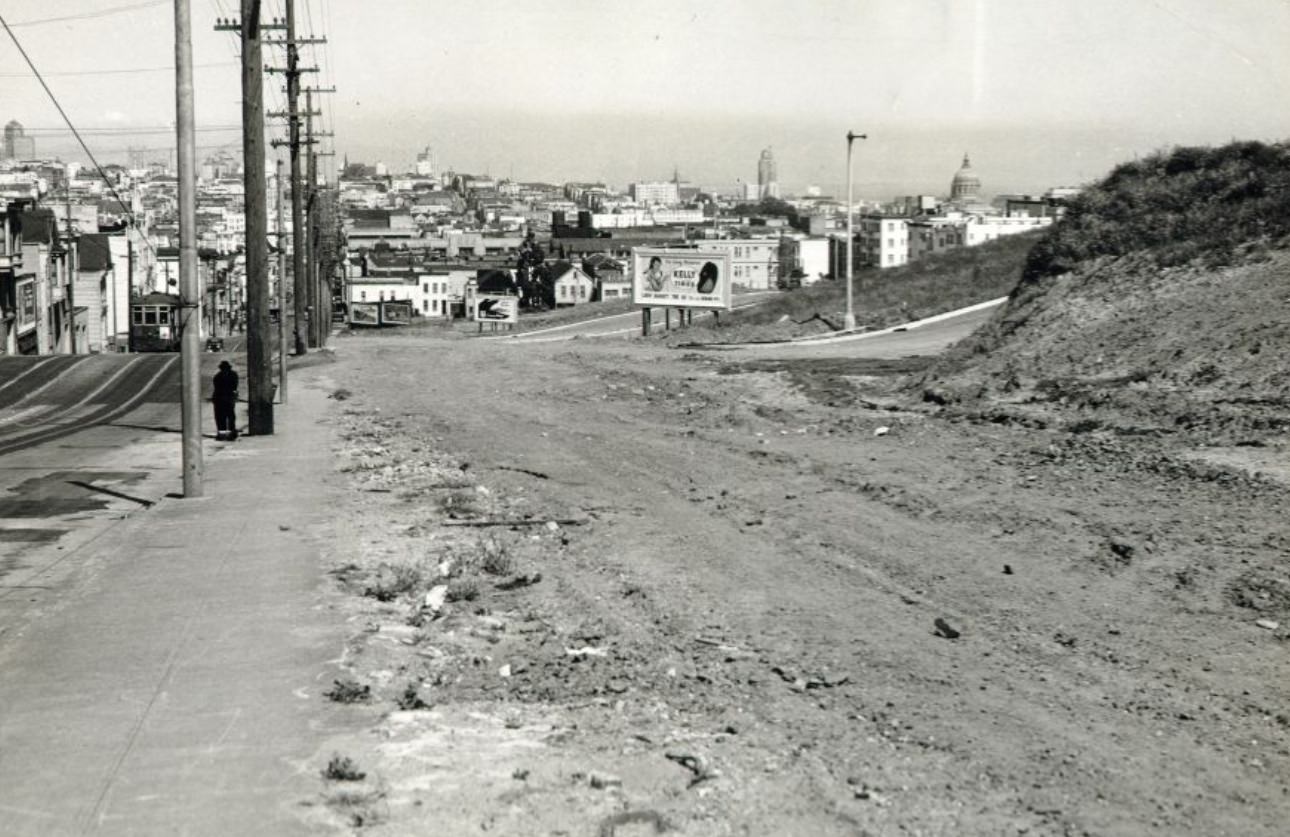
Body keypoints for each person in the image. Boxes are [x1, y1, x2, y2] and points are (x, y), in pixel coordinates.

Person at [212, 360, 239, 440]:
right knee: (230, 416)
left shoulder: (217, 376)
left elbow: (216, 387)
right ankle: (231, 433)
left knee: (220, 417)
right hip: (229, 398)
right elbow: (235, 386)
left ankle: (222, 434)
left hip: (219, 399)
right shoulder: (233, 375)